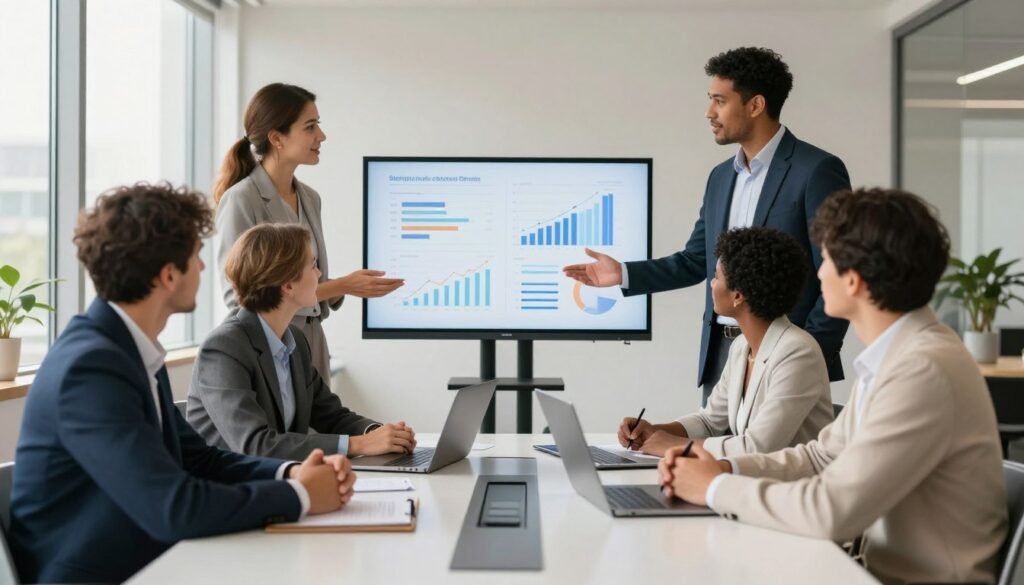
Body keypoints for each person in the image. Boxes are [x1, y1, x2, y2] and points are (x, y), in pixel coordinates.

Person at [7, 183, 356, 584]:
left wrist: (291, 474)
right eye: (196, 256)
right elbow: (173, 508)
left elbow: (201, 460)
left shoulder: (131, 350)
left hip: (150, 559)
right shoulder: (91, 368)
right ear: (169, 275)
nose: (206, 268)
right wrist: (302, 496)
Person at [660, 188, 1007, 585]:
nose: (818, 272)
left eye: (824, 259)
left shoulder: (922, 369)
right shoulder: (899, 355)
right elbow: (821, 458)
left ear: (854, 281)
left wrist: (715, 488)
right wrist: (726, 467)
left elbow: (832, 511)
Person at [564, 47, 850, 406]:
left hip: (786, 352)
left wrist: (810, 353)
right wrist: (622, 274)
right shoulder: (720, 178)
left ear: (755, 105)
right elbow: (695, 260)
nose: (709, 112)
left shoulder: (816, 170)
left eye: (719, 100)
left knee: (772, 460)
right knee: (714, 459)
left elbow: (839, 271)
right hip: (722, 355)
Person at [212, 82, 403, 377]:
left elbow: (311, 283)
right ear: (277, 138)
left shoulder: (310, 199)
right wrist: (344, 285)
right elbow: (238, 298)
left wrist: (347, 285)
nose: (321, 136)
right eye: (310, 127)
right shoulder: (241, 199)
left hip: (312, 346)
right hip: (269, 351)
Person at [188, 223, 416, 459]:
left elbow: (330, 415)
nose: (318, 274)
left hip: (276, 481)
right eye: (313, 266)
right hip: (228, 487)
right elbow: (256, 444)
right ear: (287, 285)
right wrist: (359, 445)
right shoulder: (224, 348)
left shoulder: (294, 341)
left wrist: (379, 434)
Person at [618, 227, 832, 458]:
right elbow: (709, 422)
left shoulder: (798, 352)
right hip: (755, 482)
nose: (711, 284)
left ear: (738, 295)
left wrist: (675, 446)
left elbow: (757, 448)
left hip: (795, 488)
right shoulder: (741, 347)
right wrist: (655, 431)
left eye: (717, 277)